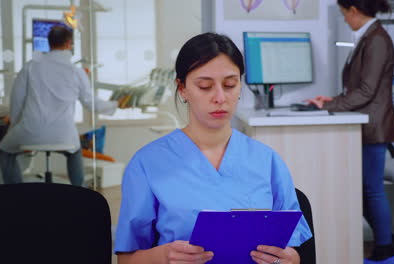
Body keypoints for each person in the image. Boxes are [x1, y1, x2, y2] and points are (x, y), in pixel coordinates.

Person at [115, 32, 312, 264]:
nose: (220, 97)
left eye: (230, 85)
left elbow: (295, 250)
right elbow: (126, 260)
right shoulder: (147, 164)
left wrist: (288, 259)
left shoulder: (267, 161)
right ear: (182, 89)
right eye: (205, 86)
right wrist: (163, 256)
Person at [307, 1, 394, 263]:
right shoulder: (369, 37)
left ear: (354, 10)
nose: (344, 20)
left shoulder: (377, 40)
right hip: (365, 125)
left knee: (372, 189)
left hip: (374, 126)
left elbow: (367, 91)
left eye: (344, 14)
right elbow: (360, 88)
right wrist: (331, 101)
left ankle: (386, 249)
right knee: (364, 189)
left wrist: (330, 105)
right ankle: (387, 244)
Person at [0, 26, 121, 186]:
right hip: (63, 133)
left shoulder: (30, 66)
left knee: (4, 150)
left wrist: (14, 125)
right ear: (69, 44)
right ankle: (79, 194)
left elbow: (17, 101)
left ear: (49, 43)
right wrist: (116, 104)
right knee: (74, 151)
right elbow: (91, 104)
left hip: (30, 130)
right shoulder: (76, 71)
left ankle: (15, 194)